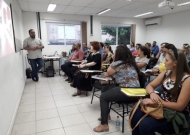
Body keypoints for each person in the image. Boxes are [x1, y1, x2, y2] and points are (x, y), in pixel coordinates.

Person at [131, 48, 190, 135]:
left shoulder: (187, 80)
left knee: (145, 125)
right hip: (163, 108)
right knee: (135, 116)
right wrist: (152, 94)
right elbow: (150, 86)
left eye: (166, 60)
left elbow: (180, 106)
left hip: (177, 114)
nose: (164, 62)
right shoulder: (167, 72)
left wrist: (158, 102)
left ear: (175, 63)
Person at [93, 45, 140, 132]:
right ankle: (106, 115)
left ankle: (104, 124)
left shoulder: (117, 63)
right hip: (136, 91)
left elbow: (108, 72)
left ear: (118, 54)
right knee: (105, 89)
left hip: (127, 90)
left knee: (103, 97)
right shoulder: (131, 63)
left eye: (115, 52)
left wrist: (113, 60)